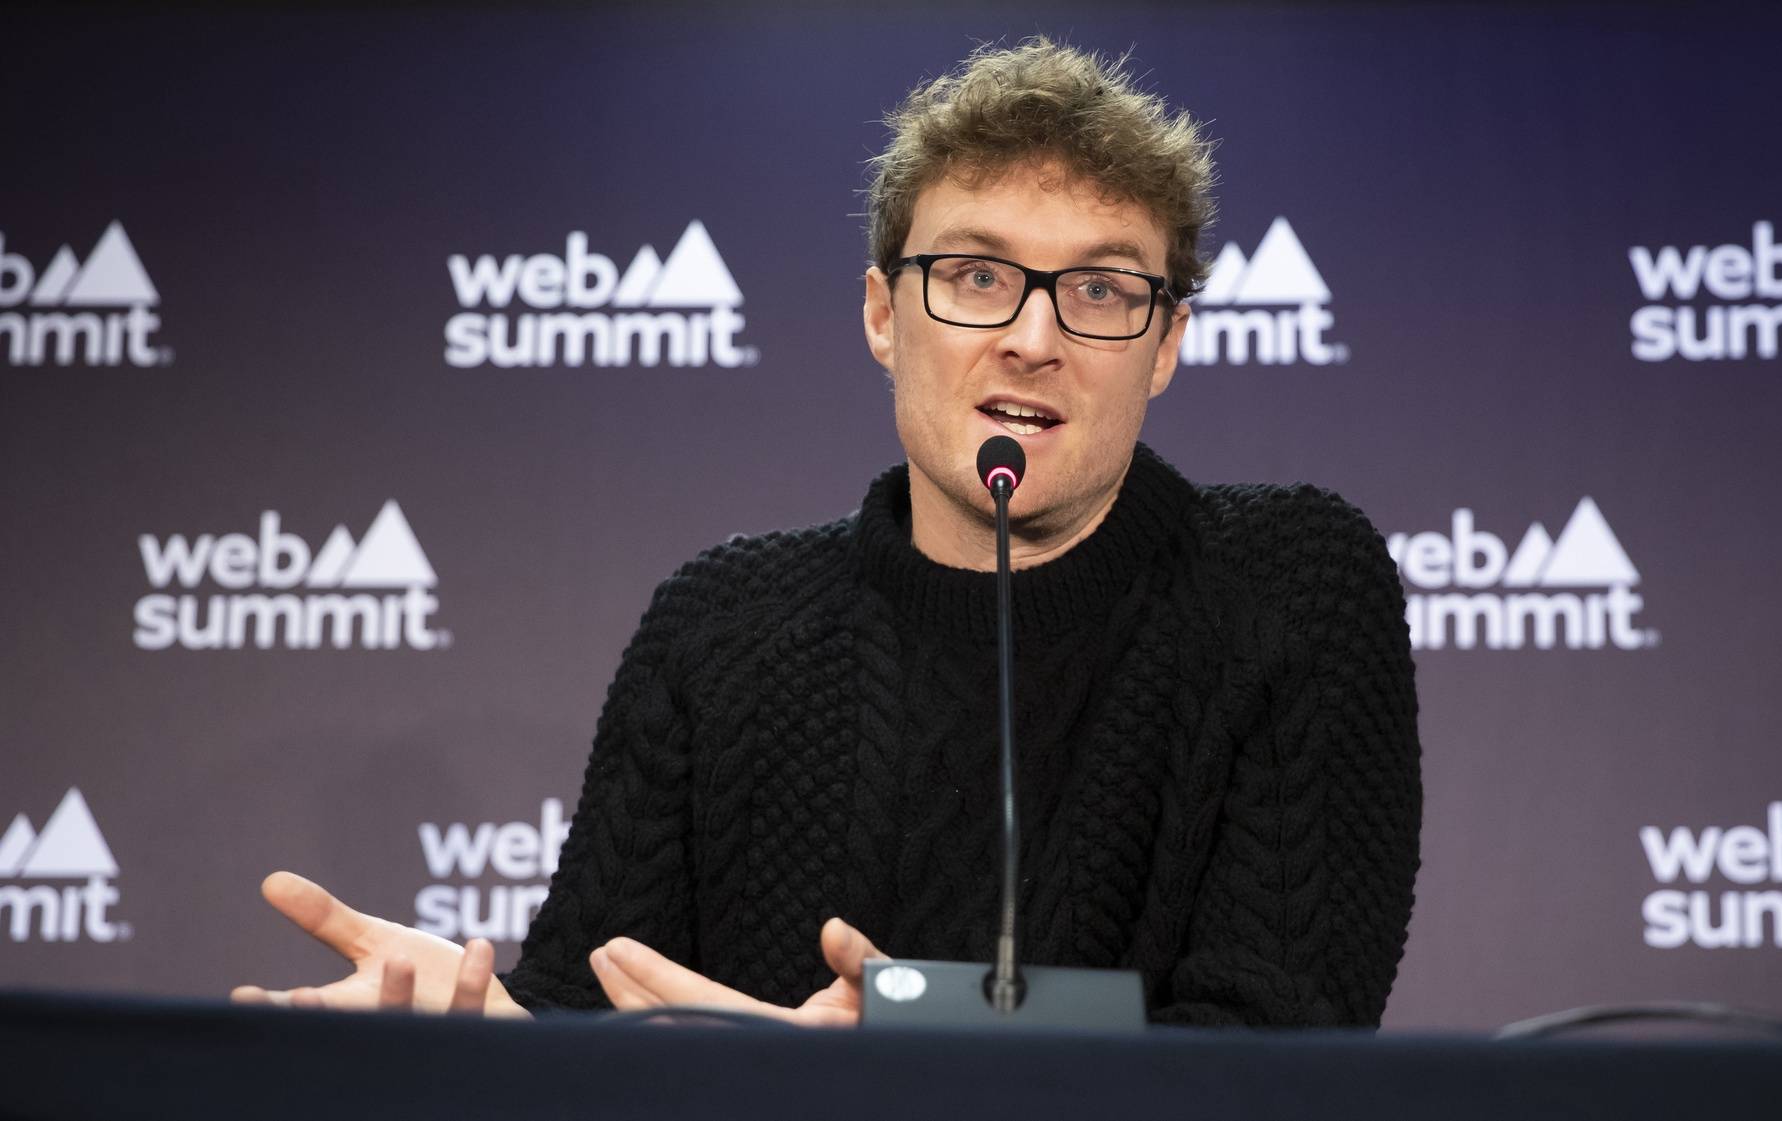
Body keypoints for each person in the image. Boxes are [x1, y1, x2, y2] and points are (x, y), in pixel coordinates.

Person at [233, 38, 1421, 1028]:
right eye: (973, 275)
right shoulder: (722, 622)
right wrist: (492, 1035)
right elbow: (597, 1001)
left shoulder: (1287, 582)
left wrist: (877, 1056)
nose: (1032, 336)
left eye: (1102, 290)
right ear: (879, 315)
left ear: (1163, 344)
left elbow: (1276, 1047)